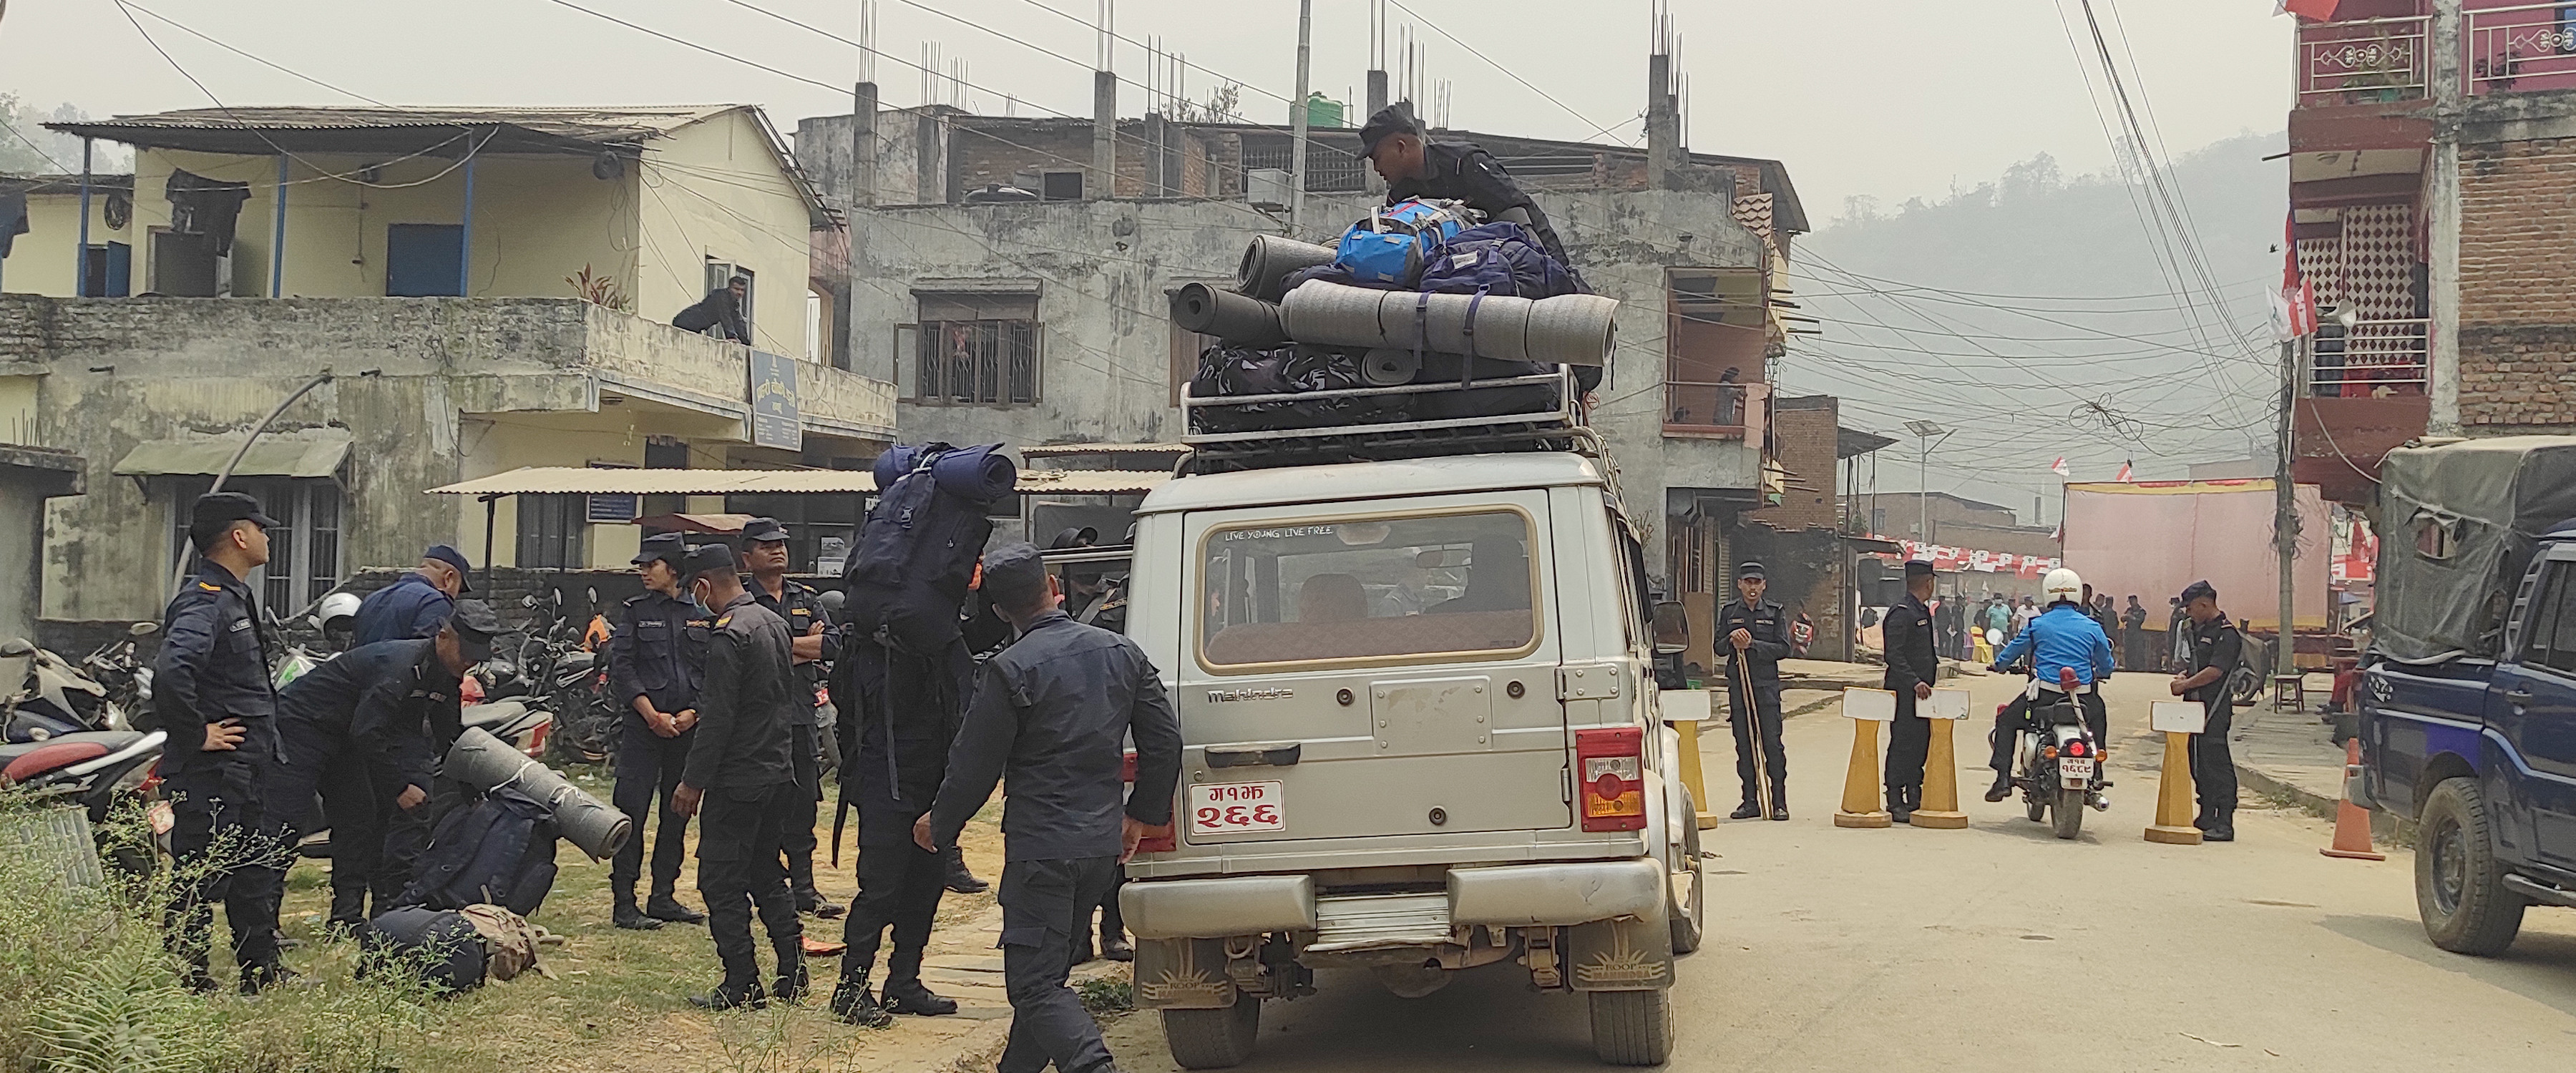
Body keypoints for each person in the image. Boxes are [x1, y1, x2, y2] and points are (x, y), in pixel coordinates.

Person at [914, 543, 1183, 1073]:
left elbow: (975, 764)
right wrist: (1142, 816)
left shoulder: (1008, 670)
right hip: (1100, 847)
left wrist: (939, 823)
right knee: (1046, 981)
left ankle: (1093, 1065)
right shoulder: (1121, 652)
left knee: (1034, 985)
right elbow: (1165, 740)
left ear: (997, 610)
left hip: (1042, 851)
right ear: (1054, 588)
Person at [256, 602, 498, 932]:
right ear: (443, 636)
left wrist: (472, 787)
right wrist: (399, 787)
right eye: (466, 651)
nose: (470, 662)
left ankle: (346, 919)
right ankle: (264, 928)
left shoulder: (445, 675)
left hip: (348, 736)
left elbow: (448, 735)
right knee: (285, 825)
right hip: (302, 726)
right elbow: (369, 732)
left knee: (358, 823)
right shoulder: (398, 668)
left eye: (477, 656)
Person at [155, 491, 290, 993]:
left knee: (254, 872)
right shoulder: (206, 598)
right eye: (260, 528)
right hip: (213, 773)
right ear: (239, 536)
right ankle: (191, 981)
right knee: (199, 874)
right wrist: (197, 734)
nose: (267, 537)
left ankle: (262, 973)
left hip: (247, 769)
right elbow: (172, 674)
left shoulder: (235, 595)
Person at [672, 544, 806, 1009]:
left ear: (704, 584)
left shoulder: (729, 635)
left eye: (696, 591)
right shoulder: (773, 622)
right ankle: (793, 970)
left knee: (721, 880)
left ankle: (742, 982)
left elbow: (719, 717)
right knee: (766, 872)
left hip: (738, 778)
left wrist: (693, 781)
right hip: (777, 771)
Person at [741, 517, 842, 919]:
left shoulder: (805, 596)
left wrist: (777, 644)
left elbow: (833, 644)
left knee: (803, 804)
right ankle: (760, 883)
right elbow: (741, 651)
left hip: (799, 715)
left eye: (781, 543)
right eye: (767, 546)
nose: (778, 549)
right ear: (747, 557)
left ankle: (805, 888)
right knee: (759, 803)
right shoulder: (741, 602)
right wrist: (803, 645)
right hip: (758, 719)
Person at [608, 532, 710, 931]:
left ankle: (663, 895)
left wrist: (692, 714)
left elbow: (712, 672)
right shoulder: (634, 612)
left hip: (685, 729)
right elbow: (622, 668)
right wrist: (651, 714)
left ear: (673, 568)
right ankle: (624, 902)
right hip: (643, 728)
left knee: (677, 812)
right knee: (629, 812)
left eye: (651, 565)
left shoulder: (700, 613)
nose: (643, 572)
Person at [1047, 526, 1130, 964]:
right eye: (1079, 550)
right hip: (1059, 734)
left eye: (1093, 547)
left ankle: (1112, 931)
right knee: (1067, 849)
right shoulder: (1053, 609)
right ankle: (1076, 937)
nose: (1089, 555)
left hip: (1107, 727)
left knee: (1110, 843)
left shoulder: (1121, 598)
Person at [1355, 102, 1568, 264]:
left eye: (1377, 158)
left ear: (1401, 148)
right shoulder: (1399, 199)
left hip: (1504, 264)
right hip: (1449, 280)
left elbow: (1521, 209)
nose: (1377, 169)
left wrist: (1558, 266)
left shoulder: (1464, 164)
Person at [1984, 569, 2115, 803]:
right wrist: (2102, 673)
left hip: (2044, 697)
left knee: (2006, 720)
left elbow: (2012, 651)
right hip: (2084, 700)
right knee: (2099, 719)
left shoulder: (2037, 625)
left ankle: (2003, 779)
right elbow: (2106, 664)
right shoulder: (2092, 627)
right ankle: (2097, 771)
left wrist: (1999, 665)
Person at [1716, 562, 1792, 820]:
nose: (1752, 587)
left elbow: (1783, 648)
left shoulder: (1774, 612)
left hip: (1766, 688)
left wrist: (1753, 645)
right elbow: (1718, 647)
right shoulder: (1729, 612)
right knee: (1745, 746)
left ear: (1764, 585)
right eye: (1747, 582)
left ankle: (1779, 802)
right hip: (1739, 687)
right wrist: (1731, 641)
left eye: (1757, 583)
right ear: (1739, 584)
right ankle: (1750, 801)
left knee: (1772, 745)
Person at [2170, 581, 2243, 841]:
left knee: (2216, 761)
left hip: (2214, 707)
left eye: (2191, 608)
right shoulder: (2198, 630)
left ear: (2204, 603)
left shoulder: (2227, 634)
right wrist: (2186, 676)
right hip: (2195, 707)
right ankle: (2206, 813)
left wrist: (2185, 685)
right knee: (2197, 759)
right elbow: (2200, 666)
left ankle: (2224, 820)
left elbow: (2216, 671)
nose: (2188, 613)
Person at [1880, 562, 1940, 823]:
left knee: (1921, 742)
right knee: (1902, 743)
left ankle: (1915, 792)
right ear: (1928, 583)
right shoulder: (1902, 612)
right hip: (1905, 692)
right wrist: (1914, 680)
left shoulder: (1921, 611)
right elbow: (1894, 654)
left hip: (1923, 695)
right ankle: (1895, 797)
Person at [349, 544, 473, 647]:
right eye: (459, 589)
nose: (456, 596)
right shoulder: (435, 602)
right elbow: (426, 657)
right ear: (449, 579)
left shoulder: (372, 598)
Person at [674, 273, 752, 343]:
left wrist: (746, 343)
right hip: (686, 320)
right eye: (736, 289)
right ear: (729, 288)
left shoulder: (733, 304)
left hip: (697, 326)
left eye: (742, 290)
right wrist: (731, 337)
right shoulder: (721, 296)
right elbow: (725, 316)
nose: (739, 293)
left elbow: (738, 322)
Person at [2121, 595, 2150, 672]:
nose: (2131, 603)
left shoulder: (2141, 611)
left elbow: (2139, 621)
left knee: (2138, 651)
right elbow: (2123, 619)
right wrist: (2124, 617)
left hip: (2137, 633)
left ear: (2136, 601)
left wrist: (2130, 617)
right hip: (2129, 633)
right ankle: (2129, 667)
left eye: (2132, 601)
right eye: (2130, 602)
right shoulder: (2129, 610)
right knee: (2129, 651)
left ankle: (2139, 668)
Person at [2167, 596, 2192, 673]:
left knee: (2177, 650)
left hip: (2177, 635)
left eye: (2173, 604)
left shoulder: (2180, 613)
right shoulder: (2175, 613)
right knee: (2171, 650)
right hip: (2172, 634)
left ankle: (2176, 667)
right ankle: (2170, 667)